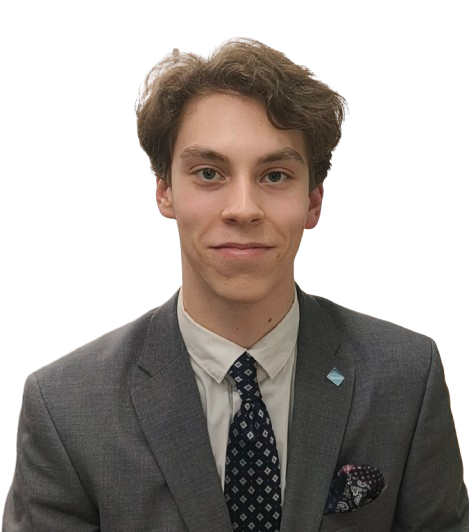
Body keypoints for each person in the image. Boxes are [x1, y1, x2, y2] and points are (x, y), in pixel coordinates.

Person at [3, 37, 468, 532]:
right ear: (165, 191)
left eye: (275, 175)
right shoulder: (65, 405)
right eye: (209, 173)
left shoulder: (407, 377)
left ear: (313, 201)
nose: (243, 208)